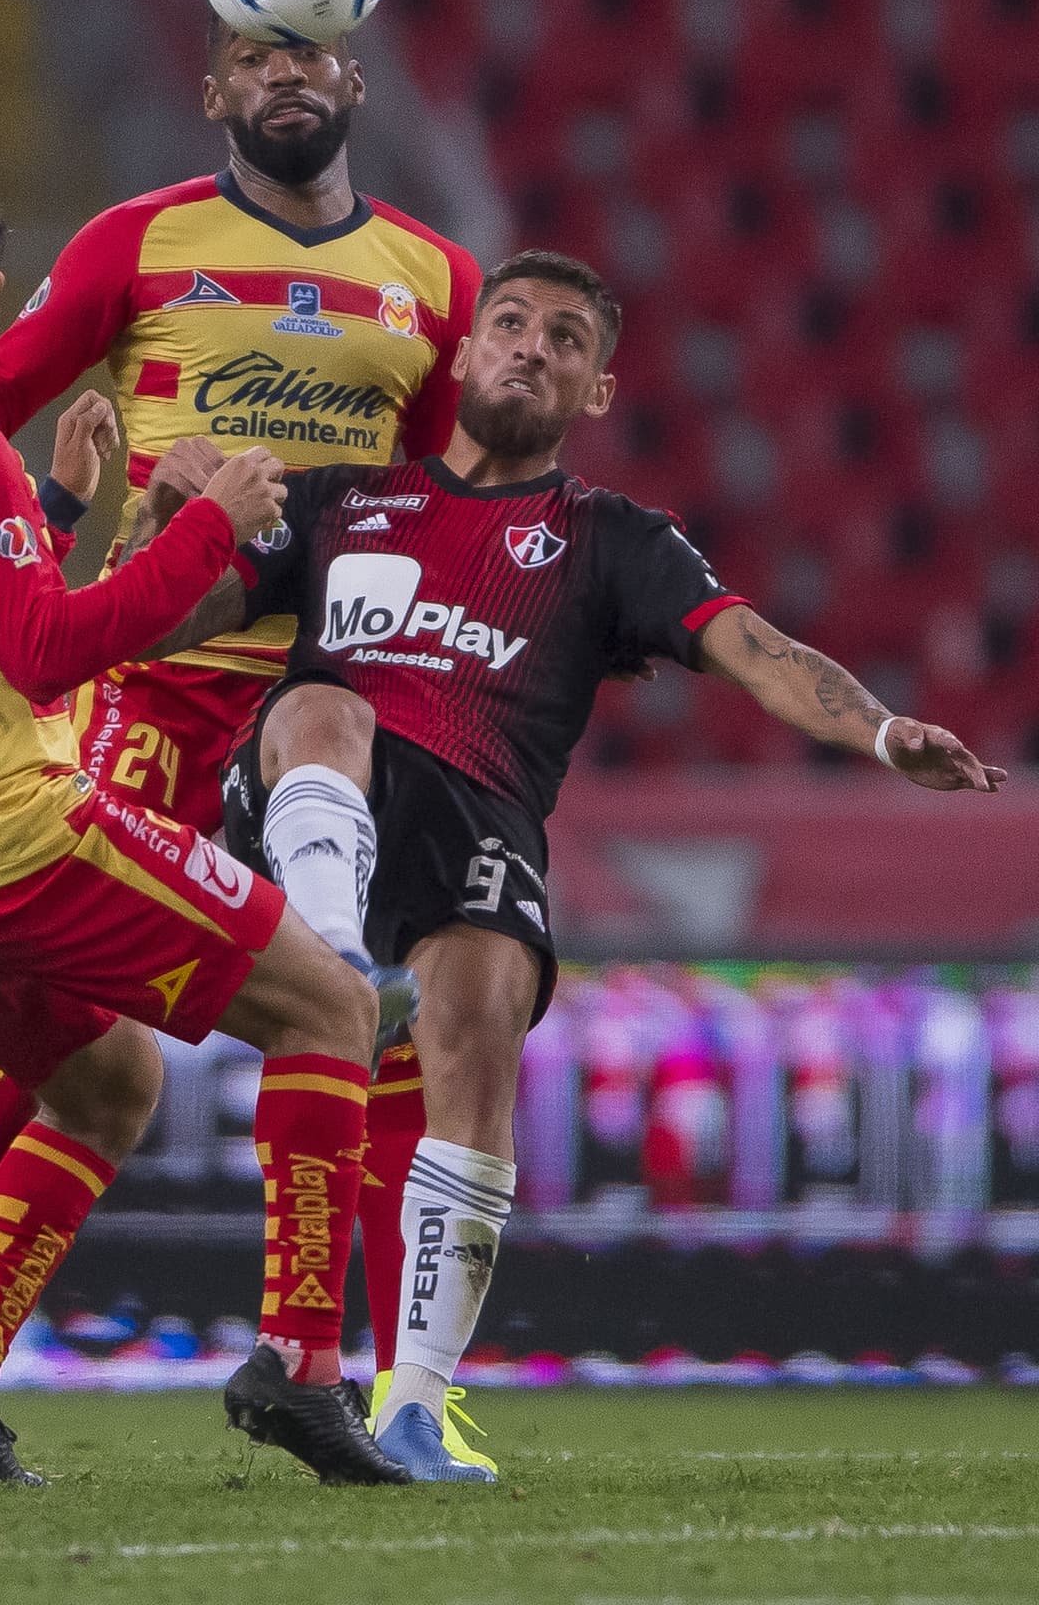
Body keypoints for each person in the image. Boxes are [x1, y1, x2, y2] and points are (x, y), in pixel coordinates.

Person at [129, 246, 1006, 1481]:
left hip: (479, 814)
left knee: (483, 1016)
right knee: (319, 704)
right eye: (509, 323)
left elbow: (753, 649)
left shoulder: (607, 539)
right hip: (318, 790)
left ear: (594, 390)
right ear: (464, 351)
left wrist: (876, 729)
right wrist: (167, 522)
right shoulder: (336, 501)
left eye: (564, 339)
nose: (530, 348)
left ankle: (414, 1405)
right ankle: (335, 962)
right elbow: (158, 624)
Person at [0, 19, 489, 1469]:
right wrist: (137, 502)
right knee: (99, 1029)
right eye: (253, 55)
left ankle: (405, 1381)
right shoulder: (136, 243)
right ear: (211, 89)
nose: (284, 76)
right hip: (156, 686)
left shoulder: (438, 278)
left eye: (309, 51)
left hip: (329, 696)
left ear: (357, 77)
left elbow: (446, 503)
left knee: (357, 1029)